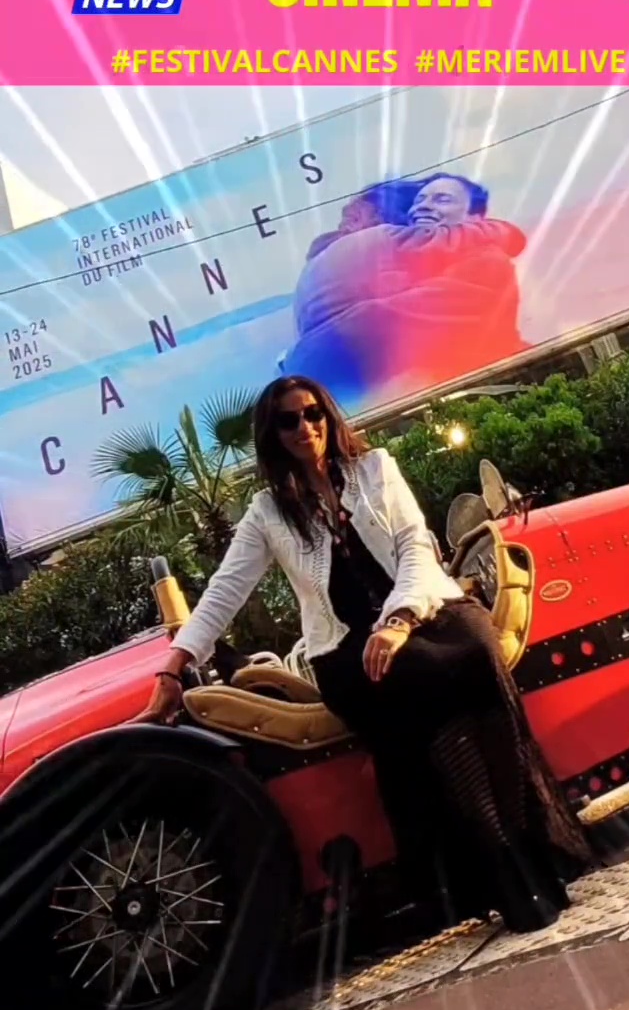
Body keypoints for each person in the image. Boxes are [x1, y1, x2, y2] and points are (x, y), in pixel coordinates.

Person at [139, 376, 591, 933]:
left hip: (423, 611)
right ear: (272, 434)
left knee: (477, 652)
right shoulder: (267, 511)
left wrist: (399, 621)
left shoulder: (375, 468)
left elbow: (415, 546)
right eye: (288, 420)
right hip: (347, 649)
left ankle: (520, 846)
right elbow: (225, 591)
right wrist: (173, 668)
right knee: (426, 678)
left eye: (312, 414)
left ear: (328, 417)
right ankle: (507, 866)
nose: (305, 428)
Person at [282, 172, 528, 405]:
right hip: (381, 391)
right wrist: (502, 230)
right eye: (419, 200)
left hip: (324, 385)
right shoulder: (384, 238)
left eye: (442, 199)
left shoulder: (318, 264)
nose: (422, 207)